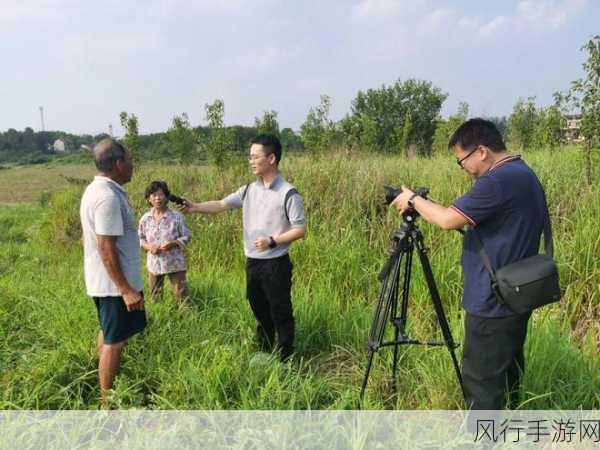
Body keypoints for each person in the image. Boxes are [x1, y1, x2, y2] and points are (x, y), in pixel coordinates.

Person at [391, 118, 549, 410]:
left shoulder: (497, 180)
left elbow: (448, 220)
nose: (463, 168)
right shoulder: (522, 172)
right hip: (517, 291)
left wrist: (412, 199)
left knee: (482, 380)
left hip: (493, 300)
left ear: (482, 151)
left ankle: (483, 439)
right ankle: (510, 431)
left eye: (461, 160)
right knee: (507, 369)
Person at [182, 134, 306, 361]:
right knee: (259, 308)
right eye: (249, 157)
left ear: (271, 158)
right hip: (253, 262)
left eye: (254, 157)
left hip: (275, 264)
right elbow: (221, 204)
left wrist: (273, 241)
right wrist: (195, 207)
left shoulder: (288, 193)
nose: (250, 161)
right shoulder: (248, 189)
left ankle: (286, 359)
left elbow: (300, 229)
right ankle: (264, 350)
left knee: (280, 311)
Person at [80, 138, 146, 405]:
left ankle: (110, 384)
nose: (132, 167)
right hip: (114, 286)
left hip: (107, 283)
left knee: (109, 333)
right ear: (118, 164)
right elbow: (106, 247)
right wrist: (126, 289)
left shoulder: (99, 190)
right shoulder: (106, 197)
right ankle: (108, 403)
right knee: (115, 342)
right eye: (130, 162)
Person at [139, 180, 192, 303]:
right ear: (149, 199)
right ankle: (161, 318)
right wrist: (149, 247)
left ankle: (187, 319)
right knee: (155, 296)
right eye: (154, 195)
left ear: (167, 197)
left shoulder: (177, 217)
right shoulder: (145, 219)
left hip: (174, 262)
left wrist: (173, 243)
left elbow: (187, 236)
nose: (157, 198)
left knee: (182, 296)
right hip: (154, 263)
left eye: (161, 194)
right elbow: (140, 238)